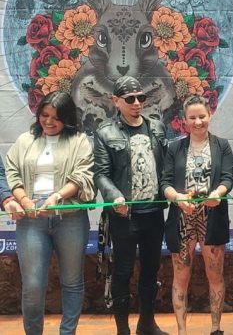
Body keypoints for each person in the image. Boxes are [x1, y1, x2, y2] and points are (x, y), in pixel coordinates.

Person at [4, 91, 95, 335]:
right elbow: (11, 171)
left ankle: (68, 333)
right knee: (33, 285)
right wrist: (23, 200)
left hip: (70, 216)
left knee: (72, 282)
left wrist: (57, 197)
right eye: (44, 115)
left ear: (67, 118)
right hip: (31, 219)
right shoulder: (25, 140)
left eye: (56, 117)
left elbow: (82, 175)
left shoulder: (79, 141)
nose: (49, 121)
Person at [94, 76, 168, 335]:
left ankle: (147, 324)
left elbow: (165, 167)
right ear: (116, 101)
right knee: (123, 271)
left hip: (153, 211)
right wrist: (115, 196)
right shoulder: (106, 133)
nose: (137, 103)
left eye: (141, 97)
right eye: (130, 99)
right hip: (123, 215)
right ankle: (122, 329)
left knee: (151, 270)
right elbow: (101, 173)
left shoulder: (157, 128)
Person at [161, 95, 233, 335]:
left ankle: (216, 328)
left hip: (212, 215)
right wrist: (178, 198)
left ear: (210, 115)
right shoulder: (174, 147)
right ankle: (182, 330)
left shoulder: (222, 145)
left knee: (215, 273)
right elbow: (165, 183)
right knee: (181, 275)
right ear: (185, 120)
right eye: (192, 118)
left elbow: (227, 177)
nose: (198, 122)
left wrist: (218, 193)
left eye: (202, 116)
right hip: (182, 217)